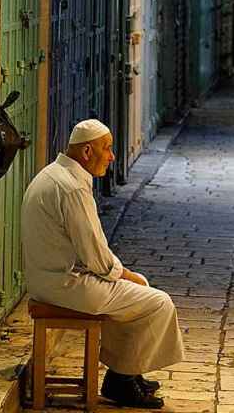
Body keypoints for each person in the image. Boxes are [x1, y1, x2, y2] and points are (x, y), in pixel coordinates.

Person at [21, 119, 184, 409]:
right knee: (158, 302)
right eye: (106, 148)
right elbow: (96, 254)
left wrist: (119, 275)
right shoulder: (72, 189)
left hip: (49, 279)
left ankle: (127, 371)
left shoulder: (54, 174)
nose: (111, 156)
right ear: (86, 152)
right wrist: (124, 274)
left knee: (132, 297)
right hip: (65, 284)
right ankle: (121, 380)